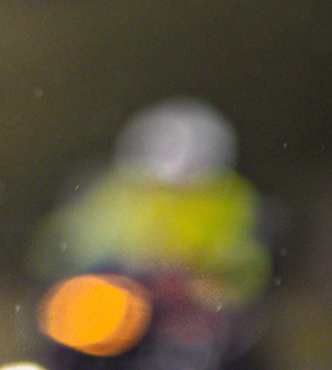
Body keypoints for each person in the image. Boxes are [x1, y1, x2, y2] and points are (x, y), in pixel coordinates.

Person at [34, 99, 271, 307]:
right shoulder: (118, 189)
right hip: (121, 302)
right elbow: (76, 240)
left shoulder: (229, 197)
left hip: (193, 309)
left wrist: (200, 273)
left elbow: (244, 258)